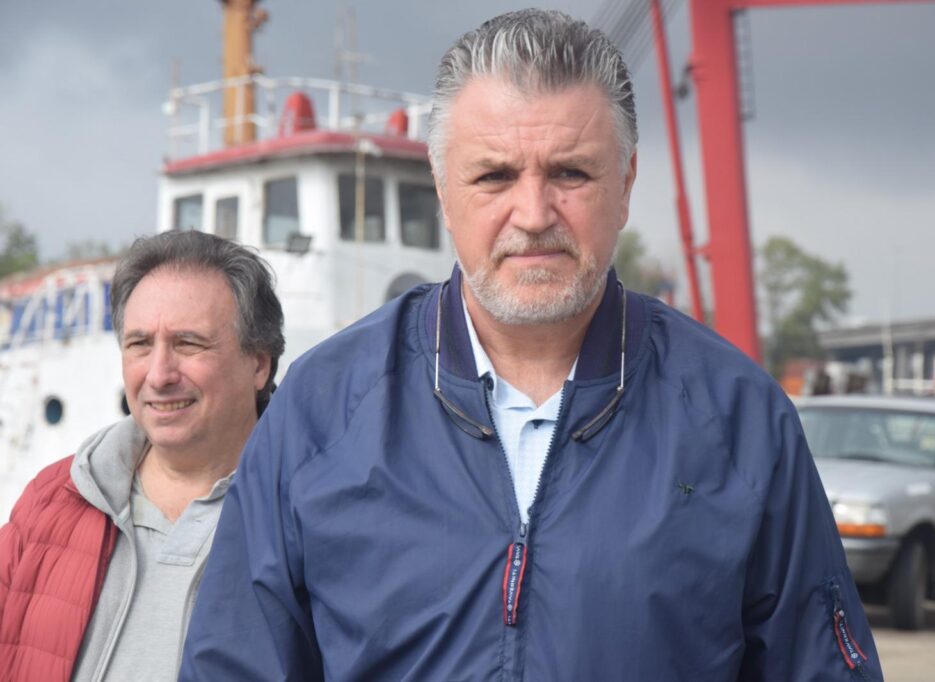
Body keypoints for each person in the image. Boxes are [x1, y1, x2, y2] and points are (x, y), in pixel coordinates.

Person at [181, 10, 882, 681]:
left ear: (625, 184)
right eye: (495, 176)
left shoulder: (739, 420)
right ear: (443, 190)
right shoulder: (321, 411)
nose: (534, 213)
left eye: (570, 173)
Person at [0, 230, 284, 682]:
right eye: (139, 344)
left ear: (259, 364)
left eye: (188, 343)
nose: (159, 374)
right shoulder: (51, 503)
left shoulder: (310, 515)